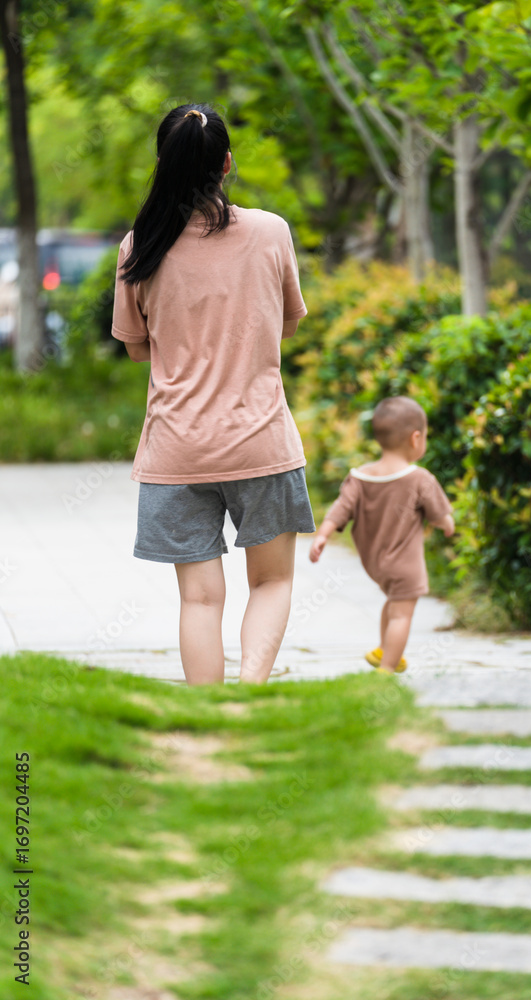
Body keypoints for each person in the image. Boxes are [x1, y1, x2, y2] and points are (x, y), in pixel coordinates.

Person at [111, 103, 315, 686]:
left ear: (163, 162)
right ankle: (248, 696)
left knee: (199, 601)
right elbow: (289, 323)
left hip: (176, 450)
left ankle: (208, 713)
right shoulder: (271, 231)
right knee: (272, 582)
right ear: (227, 163)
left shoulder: (139, 247)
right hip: (260, 442)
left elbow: (135, 347)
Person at [309, 397, 454, 673]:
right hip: (406, 565)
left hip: (376, 563)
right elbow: (440, 517)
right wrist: (448, 525)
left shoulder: (360, 476)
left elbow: (341, 508)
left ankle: (383, 651)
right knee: (402, 615)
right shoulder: (420, 479)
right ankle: (387, 668)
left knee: (393, 604)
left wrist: (323, 535)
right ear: (416, 439)